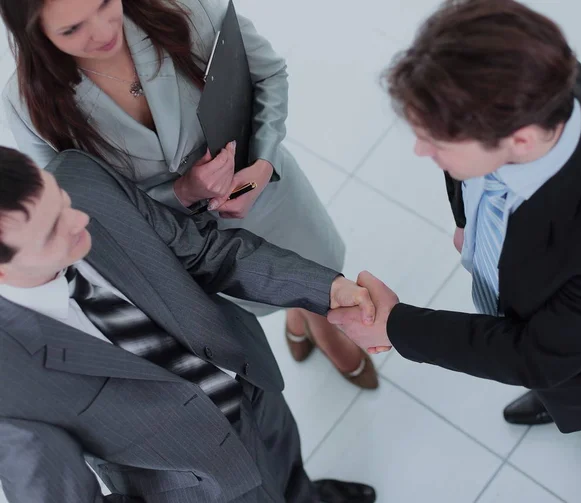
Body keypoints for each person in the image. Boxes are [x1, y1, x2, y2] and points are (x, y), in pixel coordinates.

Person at [0, 0, 378, 389]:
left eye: (104, 3)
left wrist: (261, 167)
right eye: (71, 30)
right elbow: (86, 203)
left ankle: (318, 324)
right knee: (266, 296)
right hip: (185, 242)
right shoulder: (32, 104)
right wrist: (180, 193)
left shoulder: (180, 8)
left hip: (268, 197)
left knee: (314, 272)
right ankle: (300, 315)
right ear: (35, 37)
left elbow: (269, 75)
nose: (102, 31)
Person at [0, 146, 378, 502]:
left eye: (60, 200)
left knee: (289, 468)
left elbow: (203, 251)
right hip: (199, 489)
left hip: (249, 380)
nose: (79, 218)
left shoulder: (80, 175)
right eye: (52, 230)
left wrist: (324, 288)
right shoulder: (9, 386)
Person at [329, 0, 581, 433]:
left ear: (522, 141)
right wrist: (465, 219)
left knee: (568, 384)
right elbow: (464, 168)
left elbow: (536, 356)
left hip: (576, 355)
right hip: (541, 308)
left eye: (437, 142)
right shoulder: (528, 78)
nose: (421, 151)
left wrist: (396, 326)